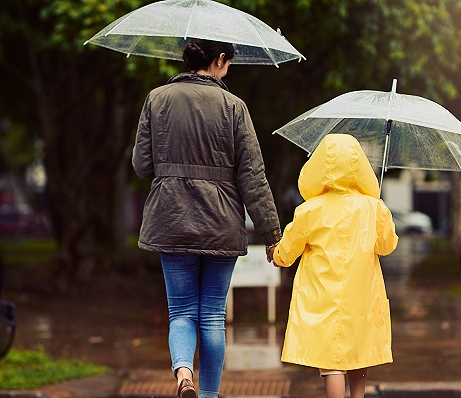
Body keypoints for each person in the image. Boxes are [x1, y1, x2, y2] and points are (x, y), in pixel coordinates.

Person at [132, 38, 282, 398]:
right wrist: (272, 232)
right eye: (228, 63)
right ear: (219, 60)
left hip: (171, 218)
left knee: (181, 310)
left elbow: (141, 165)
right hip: (221, 224)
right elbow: (253, 176)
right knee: (213, 315)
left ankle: (184, 374)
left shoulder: (157, 99)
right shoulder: (234, 107)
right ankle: (209, 395)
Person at [272, 134, 399, 398]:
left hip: (322, 297)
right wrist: (383, 214)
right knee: (358, 352)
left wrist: (276, 255)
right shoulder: (372, 208)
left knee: (331, 364)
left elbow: (288, 250)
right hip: (362, 295)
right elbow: (387, 247)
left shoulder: (310, 210)